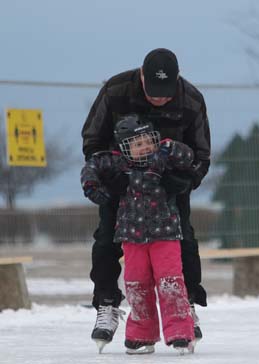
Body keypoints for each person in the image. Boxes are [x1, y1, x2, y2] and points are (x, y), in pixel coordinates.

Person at [81, 48, 210, 347]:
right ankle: (107, 304)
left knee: (184, 242)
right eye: (153, 92)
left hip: (169, 187)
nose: (159, 98)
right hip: (122, 184)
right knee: (105, 241)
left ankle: (186, 306)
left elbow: (201, 154)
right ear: (141, 77)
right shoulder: (115, 91)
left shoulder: (191, 100)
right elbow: (92, 140)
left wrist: (186, 180)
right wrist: (108, 178)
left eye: (165, 93)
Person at [81, 115, 196, 354]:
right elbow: (92, 165)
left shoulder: (161, 158)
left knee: (170, 281)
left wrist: (168, 149)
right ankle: (141, 334)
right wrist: (92, 186)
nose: (145, 147)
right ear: (125, 148)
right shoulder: (118, 165)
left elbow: (187, 156)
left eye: (148, 141)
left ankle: (180, 331)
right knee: (136, 285)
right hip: (131, 238)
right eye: (137, 144)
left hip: (165, 234)